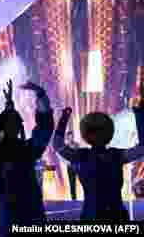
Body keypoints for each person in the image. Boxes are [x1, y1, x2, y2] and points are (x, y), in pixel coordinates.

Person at [0, 80, 53, 237]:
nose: (12, 126)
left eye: (14, 122)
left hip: (10, 212)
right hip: (15, 212)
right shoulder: (25, 149)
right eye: (10, 123)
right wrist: (39, 94)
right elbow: (45, 127)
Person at [51, 82, 144, 221]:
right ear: (109, 132)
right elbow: (141, 149)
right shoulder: (116, 155)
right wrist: (139, 118)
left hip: (92, 216)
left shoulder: (82, 155)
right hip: (115, 216)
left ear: (85, 134)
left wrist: (64, 118)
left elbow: (58, 145)